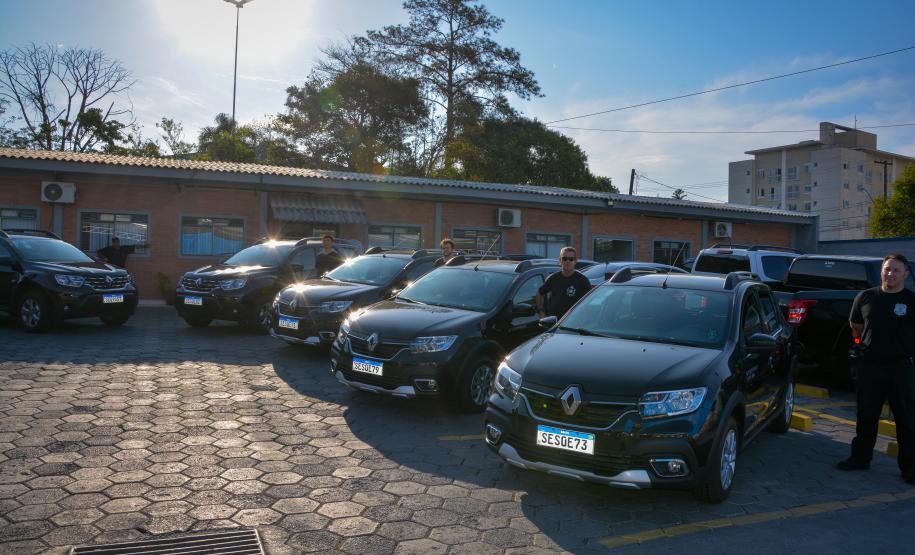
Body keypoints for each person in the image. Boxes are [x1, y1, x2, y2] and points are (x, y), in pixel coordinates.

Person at [838, 253, 915, 485]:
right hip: (870, 366)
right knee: (866, 415)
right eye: (887, 269)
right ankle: (860, 458)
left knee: (907, 420)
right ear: (881, 270)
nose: (890, 274)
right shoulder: (866, 297)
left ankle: (910, 468)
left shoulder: (912, 301)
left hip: (902, 368)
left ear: (906, 274)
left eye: (896, 270)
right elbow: (855, 326)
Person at [536, 246, 591, 319]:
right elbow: (540, 293)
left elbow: (589, 302)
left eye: (571, 259)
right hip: (553, 322)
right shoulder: (553, 278)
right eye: (564, 258)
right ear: (560, 260)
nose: (567, 261)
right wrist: (541, 312)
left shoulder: (583, 280)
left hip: (572, 323)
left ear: (575, 261)